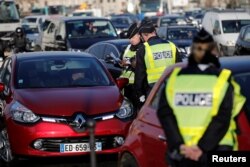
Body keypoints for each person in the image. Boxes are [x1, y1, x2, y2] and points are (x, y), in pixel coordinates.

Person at [157, 28, 246, 167]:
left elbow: (164, 114)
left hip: (182, 154)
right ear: (214, 52)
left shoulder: (174, 80)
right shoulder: (223, 80)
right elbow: (224, 118)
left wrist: (179, 145)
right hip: (217, 150)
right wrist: (201, 148)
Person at [135, 19, 181, 109]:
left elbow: (140, 75)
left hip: (154, 91)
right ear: (154, 32)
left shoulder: (143, 49)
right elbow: (179, 68)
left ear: (144, 35)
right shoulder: (171, 45)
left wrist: (139, 93)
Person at [119, 23, 142, 109]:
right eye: (129, 38)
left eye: (133, 37)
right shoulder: (128, 47)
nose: (131, 40)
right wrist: (120, 62)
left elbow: (140, 63)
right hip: (126, 84)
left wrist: (128, 62)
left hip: (138, 85)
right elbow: (122, 59)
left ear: (139, 36)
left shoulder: (143, 48)